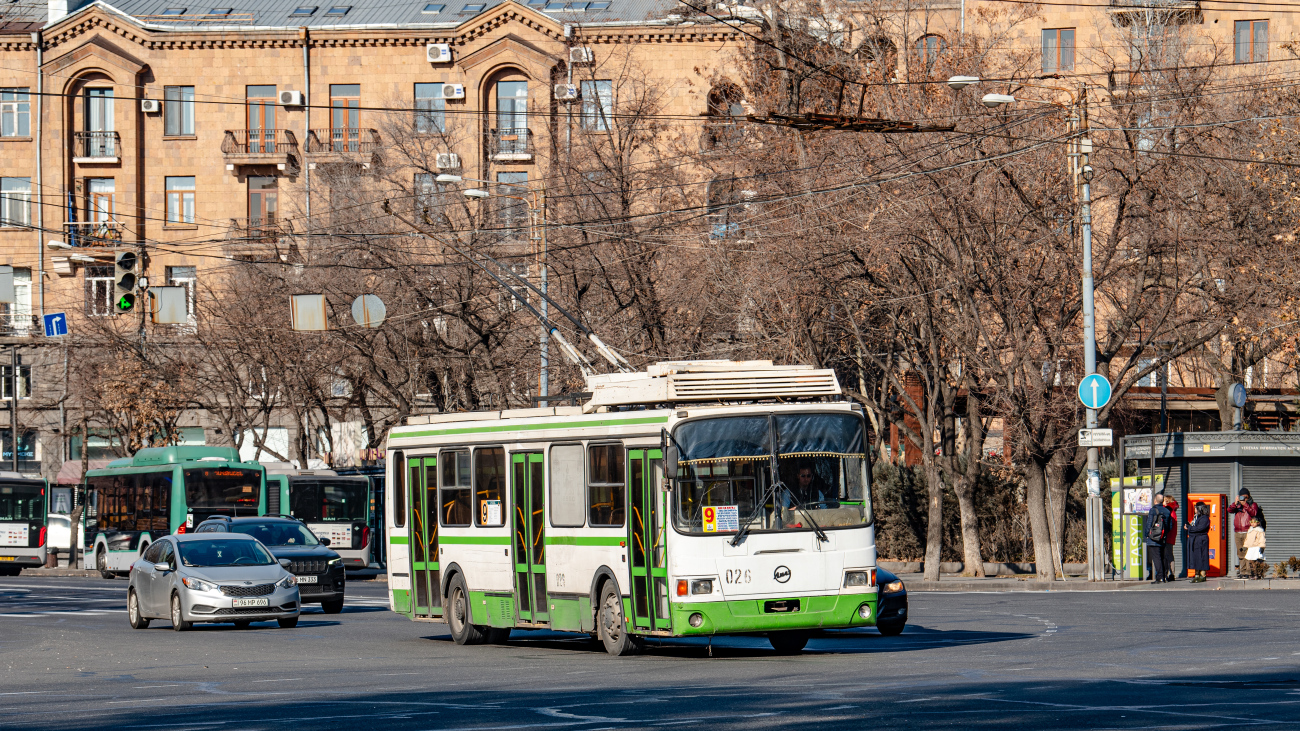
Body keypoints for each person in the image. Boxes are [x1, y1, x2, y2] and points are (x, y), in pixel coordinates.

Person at [1228, 488, 1261, 577]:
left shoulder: (1252, 504)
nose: (1244, 499)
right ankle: (1242, 572)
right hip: (1238, 532)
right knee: (1240, 553)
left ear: (1249, 496)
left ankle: (1249, 572)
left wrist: (1245, 504)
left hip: (1248, 531)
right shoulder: (1238, 506)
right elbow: (1229, 510)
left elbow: (1253, 513)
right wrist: (1235, 503)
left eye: (1246, 497)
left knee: (1248, 552)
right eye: (1242, 497)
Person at [1145, 493, 1174, 584]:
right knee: (1162, 557)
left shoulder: (1153, 510)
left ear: (1155, 500)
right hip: (1163, 537)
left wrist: (1147, 534)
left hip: (1153, 538)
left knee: (1156, 558)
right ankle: (1164, 576)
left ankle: (1160, 577)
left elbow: (1149, 524)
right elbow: (1170, 526)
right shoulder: (1167, 511)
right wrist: (1164, 534)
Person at [1186, 501, 1211, 583]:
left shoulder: (1204, 518)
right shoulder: (1196, 517)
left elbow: (1199, 528)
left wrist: (1189, 528)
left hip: (1201, 539)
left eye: (1196, 508)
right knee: (1196, 557)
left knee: (1202, 556)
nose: (1195, 510)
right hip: (1195, 539)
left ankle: (1202, 575)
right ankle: (1196, 575)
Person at [1163, 495, 1179, 582]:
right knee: (1169, 555)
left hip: (1168, 536)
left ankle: (1171, 574)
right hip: (1171, 536)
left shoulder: (1169, 511)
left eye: (1164, 500)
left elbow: (1169, 524)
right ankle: (1171, 573)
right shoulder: (1172, 511)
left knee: (1168, 555)